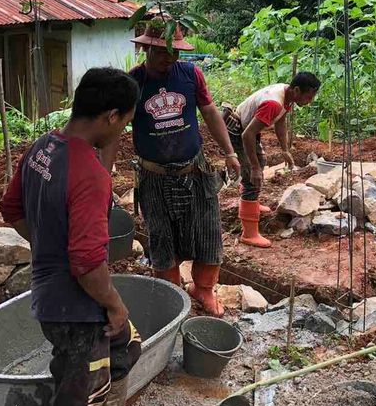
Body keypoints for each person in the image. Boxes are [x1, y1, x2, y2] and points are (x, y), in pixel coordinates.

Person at [0, 67, 143, 406]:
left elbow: (11, 209)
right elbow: (85, 262)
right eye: (127, 121)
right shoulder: (89, 173)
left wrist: (47, 243)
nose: (125, 129)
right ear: (112, 117)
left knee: (126, 347)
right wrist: (115, 303)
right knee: (75, 390)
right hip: (73, 307)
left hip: (52, 291)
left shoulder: (43, 149)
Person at [100, 23, 241, 318]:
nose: (170, 58)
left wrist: (229, 152)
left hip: (195, 170)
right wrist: (104, 175)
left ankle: (203, 289)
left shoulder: (191, 74)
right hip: (154, 175)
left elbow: (210, 112)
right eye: (164, 52)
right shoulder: (133, 82)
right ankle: (173, 297)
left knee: (209, 233)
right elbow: (114, 132)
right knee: (162, 239)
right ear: (147, 47)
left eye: (174, 52)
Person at [222, 72, 321, 248]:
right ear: (297, 90)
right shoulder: (273, 103)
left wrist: (285, 149)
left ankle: (251, 203)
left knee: (260, 163)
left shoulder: (287, 95)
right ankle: (249, 233)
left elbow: (280, 122)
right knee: (253, 175)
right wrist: (252, 167)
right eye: (308, 97)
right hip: (238, 131)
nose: (309, 101)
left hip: (248, 128)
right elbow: (247, 135)